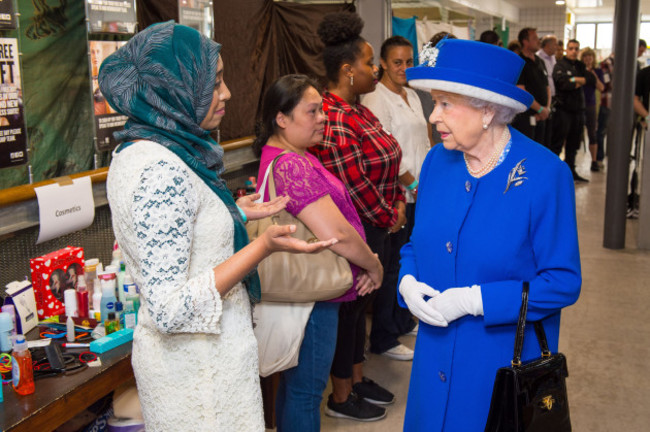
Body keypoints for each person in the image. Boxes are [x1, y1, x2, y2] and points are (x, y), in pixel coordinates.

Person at [99, 22, 336, 431]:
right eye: (215, 82)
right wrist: (260, 249)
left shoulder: (142, 148)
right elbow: (170, 309)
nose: (226, 93)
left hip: (204, 365)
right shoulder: (161, 170)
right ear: (174, 88)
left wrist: (235, 215)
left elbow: (178, 233)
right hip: (200, 378)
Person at [400, 38, 581, 431]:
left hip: (497, 367)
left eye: (445, 104)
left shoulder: (545, 175)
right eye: (434, 102)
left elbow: (563, 283)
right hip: (433, 361)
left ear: (487, 109)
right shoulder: (436, 162)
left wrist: (474, 300)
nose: (434, 117)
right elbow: (416, 243)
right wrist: (408, 281)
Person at [252, 74, 383, 431]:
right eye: (312, 112)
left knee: (295, 388)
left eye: (322, 111)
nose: (322, 118)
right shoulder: (292, 164)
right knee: (307, 391)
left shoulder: (290, 155)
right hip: (312, 293)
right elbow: (336, 234)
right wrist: (373, 265)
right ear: (282, 118)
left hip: (306, 292)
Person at [312, 11, 407, 422]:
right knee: (347, 315)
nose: (376, 70)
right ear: (348, 70)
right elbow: (353, 184)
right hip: (357, 226)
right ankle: (341, 397)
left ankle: (357, 376)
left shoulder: (360, 109)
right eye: (370, 63)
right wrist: (390, 214)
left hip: (379, 221)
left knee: (358, 313)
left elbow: (388, 160)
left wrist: (398, 201)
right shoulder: (332, 116)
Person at [361, 35, 431, 359]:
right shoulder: (376, 98)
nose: (404, 68)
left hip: (419, 191)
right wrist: (413, 185)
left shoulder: (413, 95)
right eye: (397, 62)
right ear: (383, 65)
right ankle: (384, 337)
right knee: (391, 266)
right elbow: (387, 151)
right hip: (396, 194)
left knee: (412, 259)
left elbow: (424, 140)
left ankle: (404, 320)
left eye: (408, 61)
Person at [551, 39, 595, 182]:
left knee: (573, 144)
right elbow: (563, 83)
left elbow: (590, 80)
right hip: (563, 110)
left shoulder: (580, 65)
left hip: (578, 111)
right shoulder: (560, 65)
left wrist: (574, 79)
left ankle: (571, 171)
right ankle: (553, 173)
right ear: (566, 50)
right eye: (571, 48)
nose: (574, 51)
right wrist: (577, 80)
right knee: (557, 143)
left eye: (576, 48)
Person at [512, 28, 550, 143]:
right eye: (534, 38)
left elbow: (547, 87)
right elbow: (521, 90)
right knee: (527, 151)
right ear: (525, 42)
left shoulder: (540, 61)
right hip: (526, 118)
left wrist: (546, 109)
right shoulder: (519, 62)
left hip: (542, 116)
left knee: (541, 149)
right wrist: (540, 109)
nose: (538, 41)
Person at [579, 47, 605, 173]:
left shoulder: (598, 71)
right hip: (578, 104)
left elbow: (601, 87)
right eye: (585, 56)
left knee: (592, 133)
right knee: (574, 133)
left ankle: (594, 161)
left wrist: (592, 74)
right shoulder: (578, 70)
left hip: (591, 104)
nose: (588, 59)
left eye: (590, 56)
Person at [537, 35, 558, 149]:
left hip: (551, 100)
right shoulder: (538, 58)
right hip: (541, 103)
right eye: (554, 44)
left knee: (550, 134)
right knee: (541, 138)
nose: (557, 47)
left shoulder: (553, 58)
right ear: (547, 45)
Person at [597, 52, 614, 165]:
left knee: (604, 131)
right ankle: (599, 158)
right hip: (605, 102)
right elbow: (606, 84)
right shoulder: (606, 64)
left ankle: (601, 157)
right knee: (601, 131)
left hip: (610, 103)